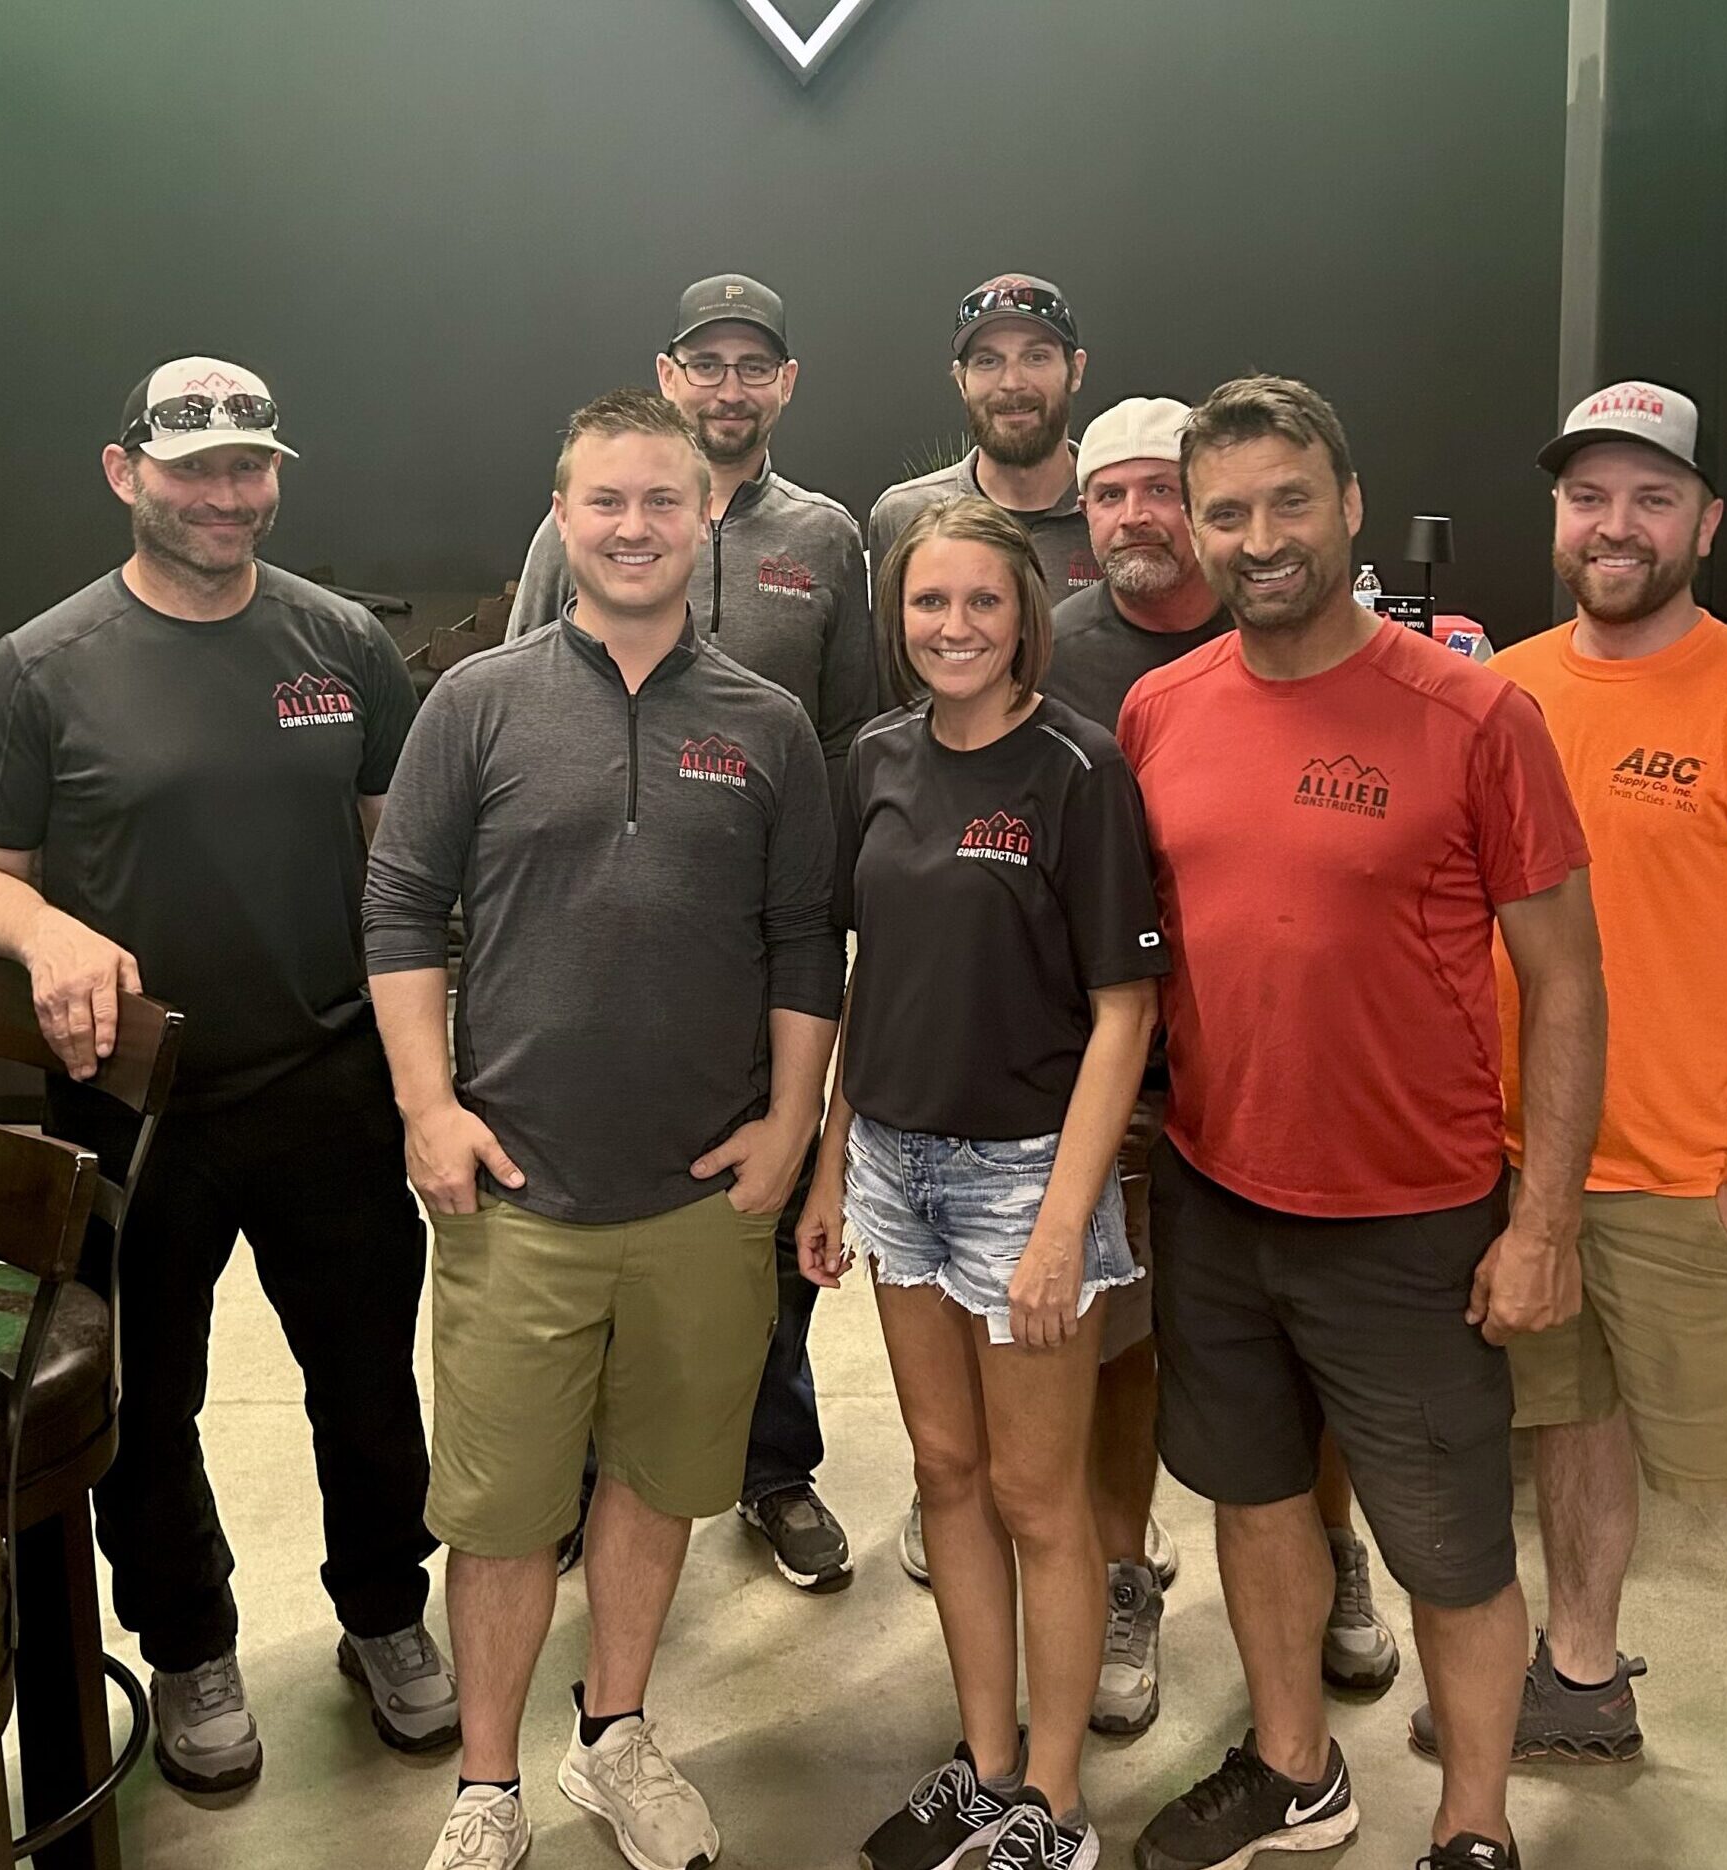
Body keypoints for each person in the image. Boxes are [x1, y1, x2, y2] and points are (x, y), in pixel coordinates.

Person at [1121, 377, 1605, 1870]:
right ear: (1195, 530)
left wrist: (1544, 1222)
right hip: (1214, 1191)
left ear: (1349, 506)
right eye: (1227, 512)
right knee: (1255, 1496)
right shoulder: (1160, 708)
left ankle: (1472, 1826)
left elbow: (1568, 980)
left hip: (1412, 1219)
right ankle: (1294, 1769)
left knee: (1449, 1549)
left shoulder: (1475, 713)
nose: (1260, 538)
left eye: (1289, 501)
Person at [365, 388, 842, 1870]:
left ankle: (613, 1733)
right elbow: (399, 905)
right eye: (606, 502)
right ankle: (486, 1785)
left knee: (658, 1479)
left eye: (662, 501)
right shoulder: (477, 702)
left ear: (704, 519)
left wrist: (793, 1123)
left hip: (702, 1198)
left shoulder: (768, 726)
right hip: (516, 1193)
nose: (635, 527)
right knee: (504, 1511)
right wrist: (428, 1106)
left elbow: (804, 938)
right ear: (563, 517)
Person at [0, 356, 454, 1793]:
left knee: (368, 1383)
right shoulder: (40, 666)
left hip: (327, 1078)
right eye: (193, 469)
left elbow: (402, 863)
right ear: (127, 473)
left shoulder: (342, 642)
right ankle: (188, 1643)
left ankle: (386, 1612)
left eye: (250, 466)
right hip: (132, 1100)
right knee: (147, 1400)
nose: (226, 494)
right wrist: (46, 928)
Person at [1409, 382, 1727, 1870]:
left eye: (1653, 497)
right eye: (1590, 496)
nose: (1617, 526)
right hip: (1528, 1169)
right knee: (1572, 1425)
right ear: (1558, 515)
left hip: (1693, 1180)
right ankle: (1584, 1677)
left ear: (1706, 523)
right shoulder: (1502, 693)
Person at [799, 496, 1168, 1870]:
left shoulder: (1079, 769)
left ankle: (1055, 1807)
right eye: (928, 602)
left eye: (982, 602)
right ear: (897, 618)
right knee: (946, 1471)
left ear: (1026, 618)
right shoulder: (876, 759)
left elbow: (1125, 1009)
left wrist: (1066, 1222)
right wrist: (832, 1163)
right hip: (894, 1166)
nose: (953, 626)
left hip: (1026, 1178)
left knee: (1034, 1493)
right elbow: (869, 977)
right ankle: (988, 1762)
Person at [1035, 397, 1400, 1741]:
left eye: (1160, 491)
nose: (1140, 517)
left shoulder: (1296, 628)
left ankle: (1334, 1548)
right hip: (1125, 1078)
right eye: (1111, 494)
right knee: (1121, 1349)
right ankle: (1125, 1573)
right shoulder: (1058, 652)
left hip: (1289, 1076)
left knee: (1309, 1358)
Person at [505, 274, 873, 1592]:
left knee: (764, 1200)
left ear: (786, 384)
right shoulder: (582, 522)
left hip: (767, 937)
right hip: (603, 935)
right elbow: (522, 702)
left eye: (751, 365)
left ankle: (771, 1463)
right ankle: (583, 1472)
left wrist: (836, 919)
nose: (727, 386)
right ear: (668, 376)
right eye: (704, 363)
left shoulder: (826, 538)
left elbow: (852, 737)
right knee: (608, 1205)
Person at [867, 276, 1102, 635]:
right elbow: (890, 665)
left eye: (1036, 357)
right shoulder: (902, 517)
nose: (1012, 383)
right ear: (961, 380)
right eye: (988, 361)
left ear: (1076, 370)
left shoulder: (1116, 512)